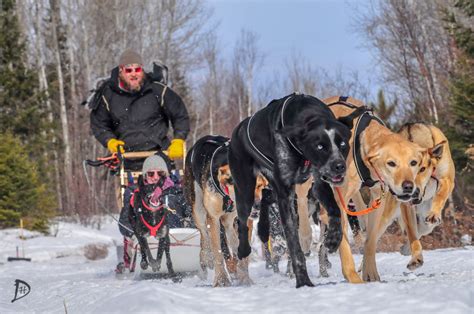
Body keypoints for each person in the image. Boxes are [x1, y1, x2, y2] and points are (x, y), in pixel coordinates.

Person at [89, 49, 190, 161]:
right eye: (129, 70)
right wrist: (110, 141)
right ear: (121, 71)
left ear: (142, 69)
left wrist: (178, 140)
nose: (134, 74)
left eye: (137, 69)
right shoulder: (108, 95)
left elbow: (180, 114)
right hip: (127, 158)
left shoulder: (158, 90)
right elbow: (99, 124)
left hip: (160, 155)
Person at [116, 154, 192, 274]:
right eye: (151, 174)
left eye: (160, 174)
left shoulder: (177, 192)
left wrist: (190, 223)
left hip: (177, 238)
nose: (155, 178)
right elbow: (125, 222)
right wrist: (133, 234)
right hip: (147, 237)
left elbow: (191, 213)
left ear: (166, 175)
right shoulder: (134, 193)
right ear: (145, 175)